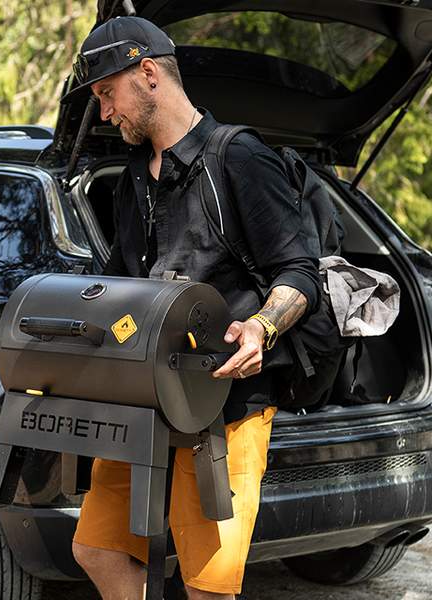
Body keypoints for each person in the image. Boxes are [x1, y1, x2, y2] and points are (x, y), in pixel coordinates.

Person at [61, 16, 320, 600]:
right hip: (143, 400)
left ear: (148, 74)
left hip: (224, 406)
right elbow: (122, 284)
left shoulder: (239, 158)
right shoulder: (133, 177)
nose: (104, 113)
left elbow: (299, 271)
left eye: (107, 93)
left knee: (206, 587)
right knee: (97, 548)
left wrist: (261, 327)